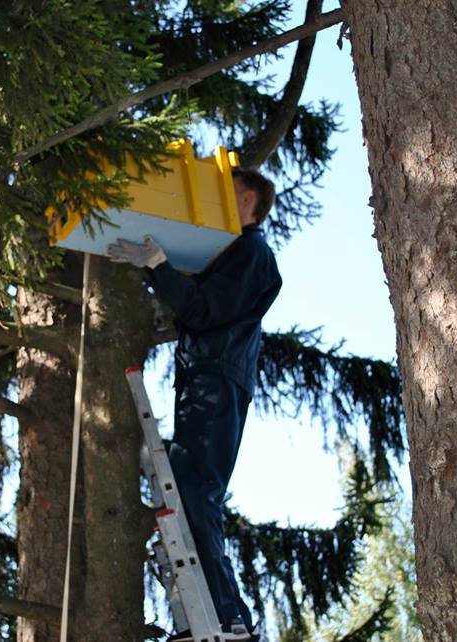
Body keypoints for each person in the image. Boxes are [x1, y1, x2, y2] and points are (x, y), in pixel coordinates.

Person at [106, 167, 282, 642]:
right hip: (211, 376)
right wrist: (154, 269)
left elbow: (202, 309)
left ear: (248, 202)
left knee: (195, 487)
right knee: (189, 487)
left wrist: (159, 266)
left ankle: (229, 617)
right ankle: (212, 614)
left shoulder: (251, 253)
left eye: (227, 195)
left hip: (216, 378)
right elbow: (200, 302)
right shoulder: (232, 256)